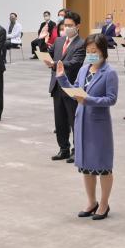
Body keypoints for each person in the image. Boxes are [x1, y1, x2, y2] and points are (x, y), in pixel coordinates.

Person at [55, 33, 118, 220]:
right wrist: (62, 78)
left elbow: (111, 99)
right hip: (81, 120)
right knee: (86, 166)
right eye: (88, 51)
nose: (90, 54)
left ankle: (104, 203)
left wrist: (88, 100)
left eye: (94, 51)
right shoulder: (83, 70)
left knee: (103, 166)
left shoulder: (110, 73)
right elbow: (76, 90)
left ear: (103, 52)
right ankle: (91, 201)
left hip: (99, 125)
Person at [46, 11, 86, 163]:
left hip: (71, 86)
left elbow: (76, 62)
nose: (67, 28)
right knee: (60, 120)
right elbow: (50, 54)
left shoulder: (82, 44)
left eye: (70, 25)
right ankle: (63, 148)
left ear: (78, 26)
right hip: (57, 85)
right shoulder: (59, 41)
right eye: (65, 25)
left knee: (73, 120)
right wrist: (43, 43)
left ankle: (77, 150)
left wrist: (56, 64)